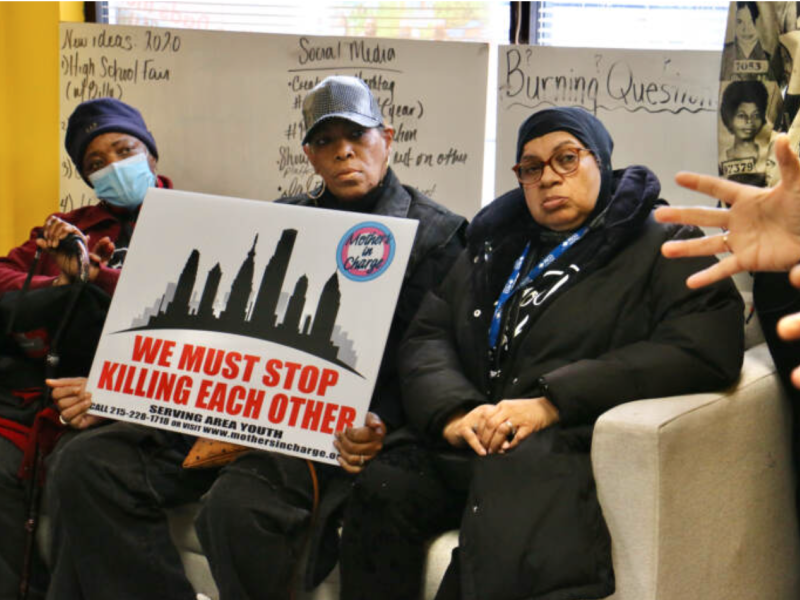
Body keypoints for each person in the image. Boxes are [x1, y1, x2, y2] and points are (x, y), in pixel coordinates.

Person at [44, 75, 467, 600]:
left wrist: (382, 421)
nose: (343, 153)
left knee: (234, 512)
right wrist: (117, 389)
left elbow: (432, 357)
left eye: (357, 136)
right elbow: (214, 332)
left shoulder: (440, 235)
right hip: (232, 414)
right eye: (325, 142)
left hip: (324, 435)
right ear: (309, 155)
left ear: (388, 137)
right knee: (83, 462)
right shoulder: (279, 218)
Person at [337, 107, 745, 600]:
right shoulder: (494, 245)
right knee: (385, 489)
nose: (549, 177)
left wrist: (552, 402)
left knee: (515, 512)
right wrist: (455, 412)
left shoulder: (664, 241)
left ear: (602, 162)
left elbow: (705, 347)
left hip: (560, 443)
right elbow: (428, 335)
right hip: (470, 437)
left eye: (566, 159)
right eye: (531, 167)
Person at [0, 98, 169, 600]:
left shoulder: (195, 221)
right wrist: (59, 279)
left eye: (125, 150)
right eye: (96, 163)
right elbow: (8, 276)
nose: (114, 167)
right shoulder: (69, 227)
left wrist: (97, 277)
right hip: (60, 389)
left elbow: (184, 308)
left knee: (78, 467)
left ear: (151, 155)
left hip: (148, 391)